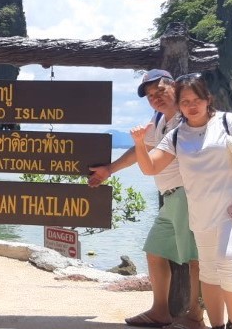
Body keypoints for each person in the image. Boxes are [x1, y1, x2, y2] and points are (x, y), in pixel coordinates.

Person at [132, 73, 232, 329]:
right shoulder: (177, 135)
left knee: (228, 259)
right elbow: (150, 168)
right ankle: (217, 326)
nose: (192, 105)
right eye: (186, 102)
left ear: (207, 99)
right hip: (201, 214)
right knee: (209, 273)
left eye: (197, 99)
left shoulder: (227, 122)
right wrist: (139, 144)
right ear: (179, 106)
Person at [89, 69, 204, 329]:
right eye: (150, 95)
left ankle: (196, 316)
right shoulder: (159, 119)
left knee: (192, 257)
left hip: (189, 194)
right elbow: (140, 151)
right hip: (170, 197)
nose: (155, 98)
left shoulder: (189, 118)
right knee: (155, 250)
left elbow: (149, 161)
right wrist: (110, 169)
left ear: (174, 86)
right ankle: (160, 311)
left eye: (160, 91)